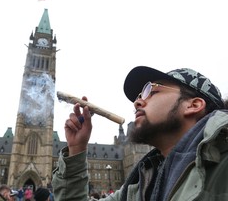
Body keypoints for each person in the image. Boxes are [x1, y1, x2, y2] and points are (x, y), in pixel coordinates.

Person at [52, 66, 228, 200]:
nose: (137, 102)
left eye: (152, 91)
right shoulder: (141, 185)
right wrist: (77, 149)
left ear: (194, 105)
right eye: (138, 96)